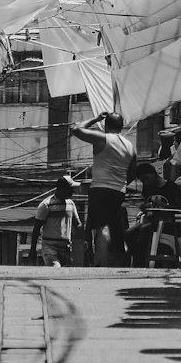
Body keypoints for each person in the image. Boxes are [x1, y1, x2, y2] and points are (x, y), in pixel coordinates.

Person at [71, 111, 135, 265]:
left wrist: (96, 118)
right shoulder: (130, 146)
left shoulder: (103, 138)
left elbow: (76, 129)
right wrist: (119, 182)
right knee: (111, 226)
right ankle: (105, 261)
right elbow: (132, 172)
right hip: (119, 191)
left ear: (106, 126)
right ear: (121, 126)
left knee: (101, 227)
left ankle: (102, 264)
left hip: (100, 190)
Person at [29, 175, 81, 266]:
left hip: (66, 247)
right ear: (62, 189)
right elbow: (37, 228)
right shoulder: (46, 205)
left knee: (64, 276)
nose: (73, 191)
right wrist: (33, 249)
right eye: (70, 189)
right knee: (56, 268)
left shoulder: (71, 204)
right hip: (50, 246)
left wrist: (84, 240)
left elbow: (77, 224)